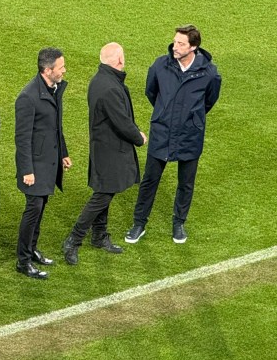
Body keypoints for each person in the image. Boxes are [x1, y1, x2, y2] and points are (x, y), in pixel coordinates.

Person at [125, 25, 222, 245]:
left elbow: (209, 100)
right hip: (162, 131)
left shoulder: (209, 73)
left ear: (194, 47)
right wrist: (164, 113)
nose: (175, 47)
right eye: (175, 42)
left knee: (186, 183)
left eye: (181, 44)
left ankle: (179, 223)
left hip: (190, 135)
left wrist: (192, 118)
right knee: (150, 180)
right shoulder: (161, 64)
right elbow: (151, 92)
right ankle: (139, 223)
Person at [63, 43, 147, 265]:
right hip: (110, 150)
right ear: (119, 60)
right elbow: (122, 121)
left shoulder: (100, 80)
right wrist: (139, 137)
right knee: (103, 195)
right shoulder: (110, 87)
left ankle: (99, 236)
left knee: (105, 191)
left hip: (103, 147)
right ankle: (74, 239)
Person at [15, 47, 71, 279]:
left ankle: (32, 250)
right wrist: (27, 170)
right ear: (47, 70)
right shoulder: (28, 97)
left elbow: (55, 126)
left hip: (49, 162)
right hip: (35, 167)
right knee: (33, 210)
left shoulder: (53, 89)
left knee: (40, 208)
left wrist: (63, 153)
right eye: (61, 67)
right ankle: (23, 260)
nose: (64, 70)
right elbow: (22, 137)